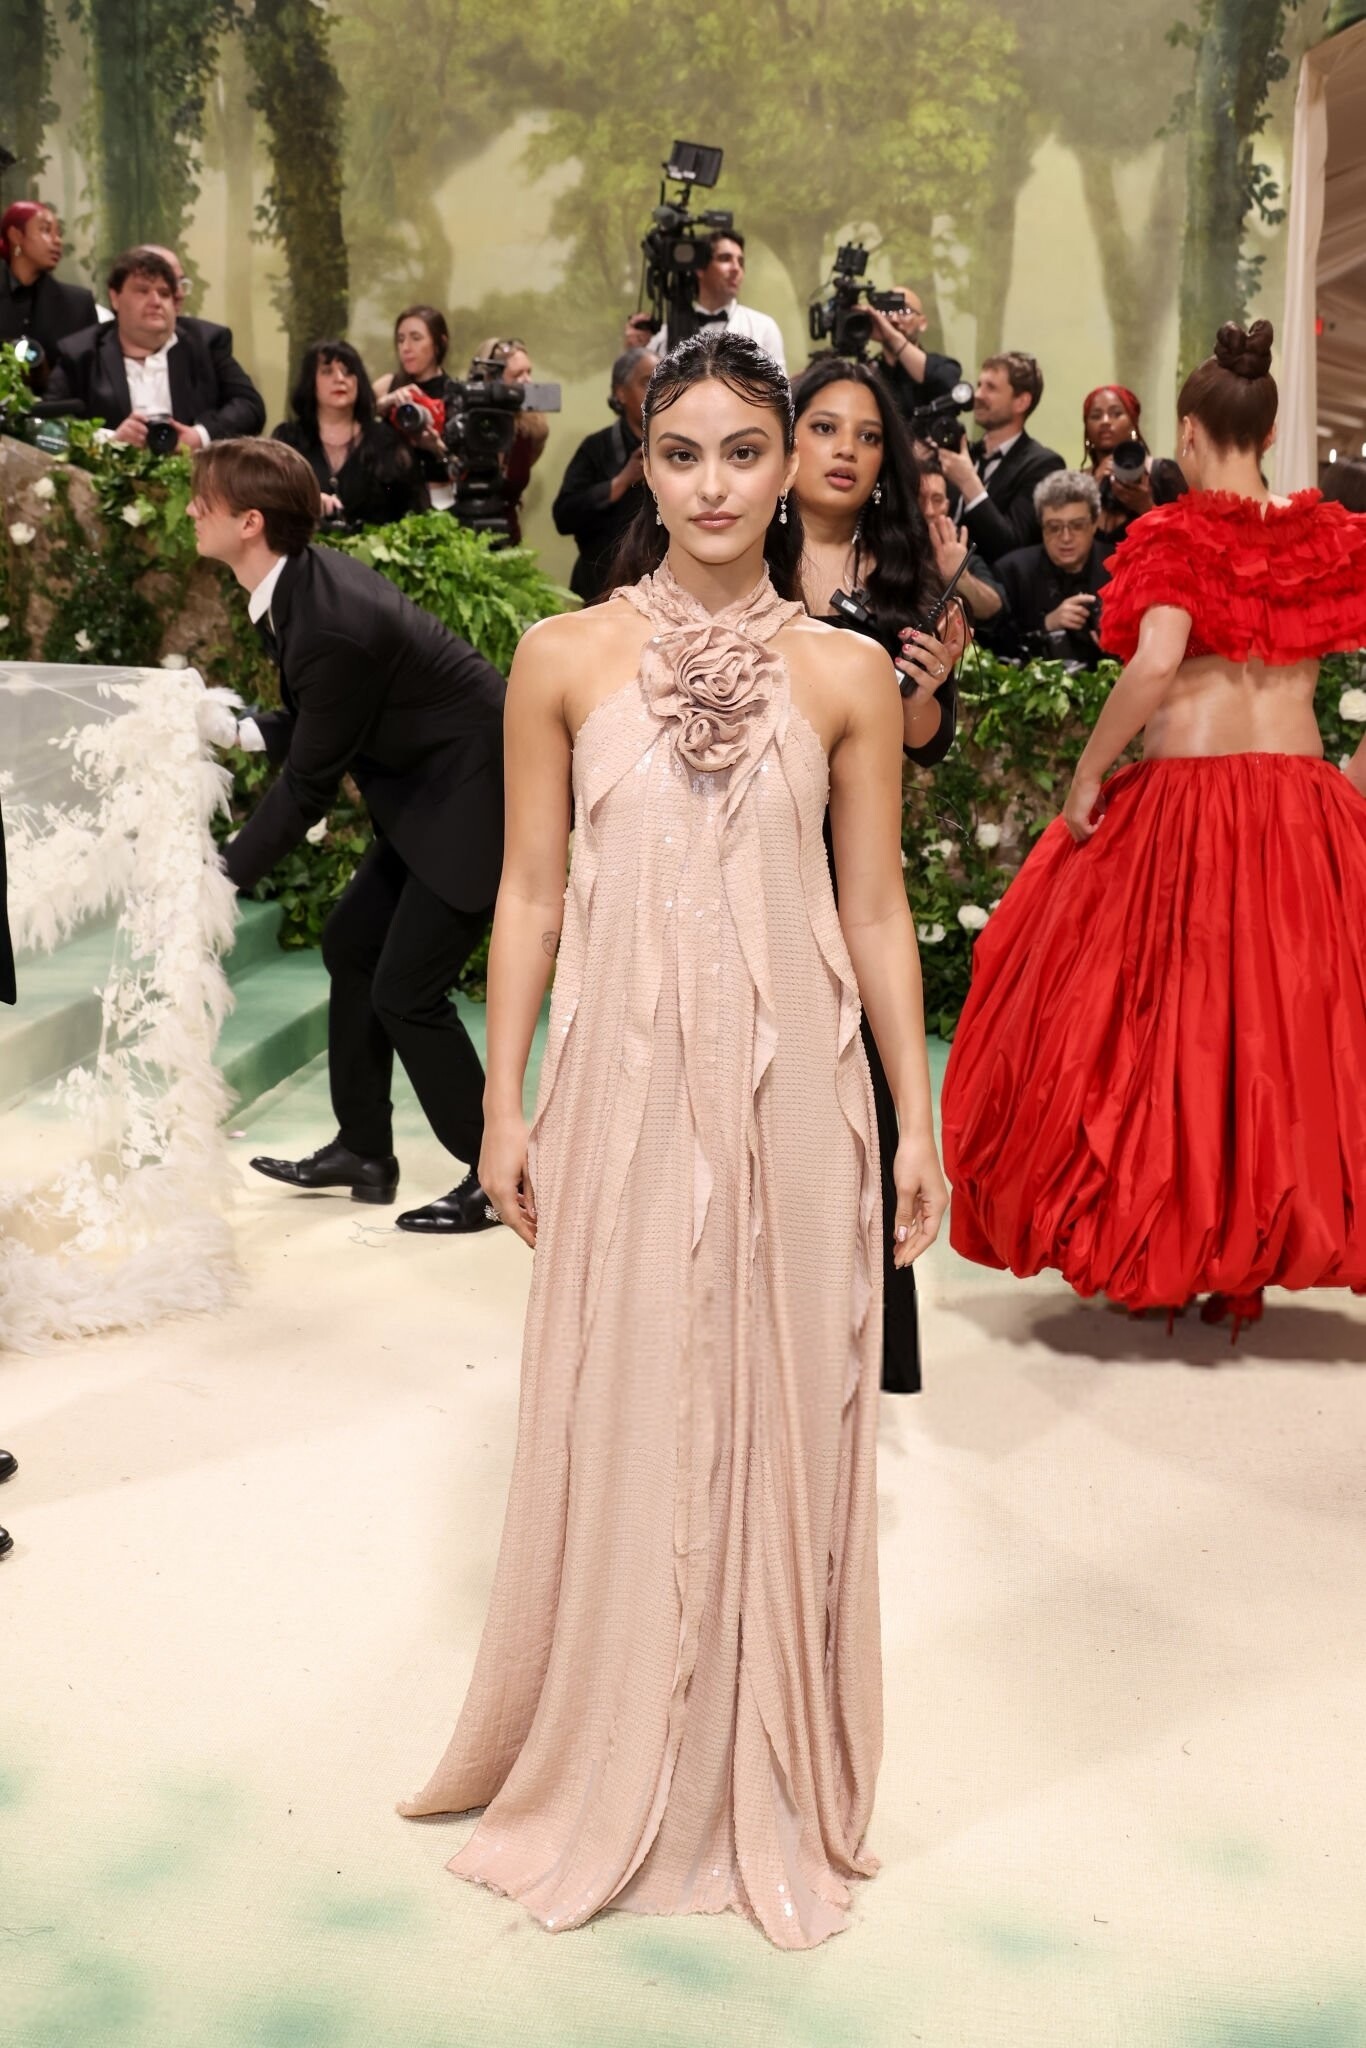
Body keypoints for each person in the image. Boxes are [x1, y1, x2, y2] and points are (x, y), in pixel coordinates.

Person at [398, 331, 947, 1946]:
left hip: (794, 1098)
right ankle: (611, 1736)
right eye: (682, 451)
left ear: (792, 471)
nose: (713, 484)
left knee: (784, 1398)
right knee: (624, 1386)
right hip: (623, 1083)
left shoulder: (847, 675)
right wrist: (504, 1097)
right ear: (641, 464)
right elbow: (529, 893)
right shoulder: (560, 657)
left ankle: (751, 1761)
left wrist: (916, 1118)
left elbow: (874, 909)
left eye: (744, 452)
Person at [941, 320, 1366, 1340]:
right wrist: (1354, 774)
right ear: (1270, 432)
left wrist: (1090, 773)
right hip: (1301, 800)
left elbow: (1157, 658)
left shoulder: (1176, 535)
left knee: (1176, 1027)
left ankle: (1179, 1240)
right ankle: (1251, 1246)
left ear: (1185, 430)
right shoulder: (1325, 537)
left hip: (1191, 805)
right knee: (1285, 1032)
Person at [187, 438, 509, 1235]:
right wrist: (242, 731)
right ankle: (364, 1150)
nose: (191, 509)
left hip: (476, 796)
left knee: (407, 990)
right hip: (431, 789)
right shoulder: (298, 585)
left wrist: (216, 883)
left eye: (204, 500)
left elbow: (308, 788)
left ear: (250, 522)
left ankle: (499, 1178)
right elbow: (325, 717)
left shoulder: (329, 619)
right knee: (352, 946)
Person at [788, 354, 965, 1402]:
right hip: (740, 851)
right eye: (824, 427)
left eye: (865, 435)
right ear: (785, 440)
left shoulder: (906, 579)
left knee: (865, 1104)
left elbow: (925, 743)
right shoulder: (729, 553)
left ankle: (863, 1355)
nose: (845, 451)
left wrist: (926, 694)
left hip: (850, 866)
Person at [47, 247, 264, 446]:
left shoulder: (207, 343)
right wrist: (111, 440)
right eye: (143, 291)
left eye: (164, 293)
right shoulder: (80, 353)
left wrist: (198, 436)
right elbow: (48, 424)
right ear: (115, 297)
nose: (156, 301)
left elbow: (250, 406)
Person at [273, 339, 428, 529]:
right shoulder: (288, 440)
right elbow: (270, 502)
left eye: (348, 372)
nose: (340, 378)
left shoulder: (386, 441)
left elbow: (412, 513)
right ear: (310, 382)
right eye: (327, 371)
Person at [934, 351, 1065, 563]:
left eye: (991, 388)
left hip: (989, 579)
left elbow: (1012, 546)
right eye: (979, 385)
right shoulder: (963, 453)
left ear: (1021, 402)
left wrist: (968, 483)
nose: (978, 395)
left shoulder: (1044, 466)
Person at [551, 346, 652, 602]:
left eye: (661, 381)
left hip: (661, 585)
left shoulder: (677, 447)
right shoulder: (596, 447)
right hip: (600, 586)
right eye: (646, 382)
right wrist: (621, 482)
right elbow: (564, 517)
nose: (656, 391)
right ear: (621, 393)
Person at [986, 470, 1110, 667]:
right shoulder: (1013, 571)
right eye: (1054, 527)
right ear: (1041, 527)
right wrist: (1046, 626)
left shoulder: (1121, 567)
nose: (1066, 538)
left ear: (1095, 524)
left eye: (1077, 526)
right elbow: (994, 650)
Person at [625, 228, 786, 369]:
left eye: (740, 261)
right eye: (725, 259)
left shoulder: (763, 328)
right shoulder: (665, 336)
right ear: (700, 268)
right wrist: (634, 352)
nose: (736, 268)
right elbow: (645, 389)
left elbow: (780, 391)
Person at [0, 201, 98, 373]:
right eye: (46, 230)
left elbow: (90, 375)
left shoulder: (79, 305)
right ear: (16, 235)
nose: (58, 241)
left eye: (59, 233)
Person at [373, 305, 454, 509]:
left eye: (416, 338)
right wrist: (385, 403)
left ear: (439, 343)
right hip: (390, 498)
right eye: (400, 340)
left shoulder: (453, 394)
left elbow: (464, 466)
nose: (406, 348)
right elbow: (352, 425)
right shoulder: (387, 385)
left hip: (440, 500)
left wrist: (437, 448)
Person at [473, 336, 548, 545]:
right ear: (492, 379)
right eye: (517, 375)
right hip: (465, 539)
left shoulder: (531, 429)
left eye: (529, 372)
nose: (527, 381)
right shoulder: (468, 426)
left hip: (508, 539)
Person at [918, 460, 1004, 626]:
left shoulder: (958, 548)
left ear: (946, 506)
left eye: (937, 499)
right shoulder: (885, 541)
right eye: (920, 498)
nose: (928, 510)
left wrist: (960, 577)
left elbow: (993, 607)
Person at [865, 282, 964, 421]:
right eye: (887, 311)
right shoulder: (869, 370)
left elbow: (950, 387)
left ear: (922, 323)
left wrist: (894, 338)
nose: (894, 319)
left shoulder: (941, 367)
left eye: (904, 311)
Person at [1082, 383, 1153, 547]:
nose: (1105, 421)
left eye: (1116, 414)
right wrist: (1091, 488)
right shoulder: (1077, 482)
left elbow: (1183, 535)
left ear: (1133, 423)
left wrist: (1146, 506)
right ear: (1086, 428)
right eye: (1096, 416)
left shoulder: (1160, 473)